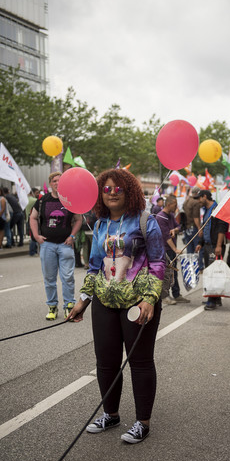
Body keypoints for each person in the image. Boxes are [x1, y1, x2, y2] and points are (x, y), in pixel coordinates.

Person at [68, 168, 165, 444]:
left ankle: (142, 422)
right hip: (104, 303)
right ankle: (110, 414)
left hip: (138, 304)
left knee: (141, 362)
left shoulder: (146, 221)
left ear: (129, 192)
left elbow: (158, 264)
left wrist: (149, 299)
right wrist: (83, 301)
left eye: (117, 189)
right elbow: (94, 267)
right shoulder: (99, 224)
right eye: (106, 189)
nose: (111, 193)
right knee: (106, 363)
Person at [29, 172, 82, 320]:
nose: (57, 183)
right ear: (50, 183)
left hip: (65, 245)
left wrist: (72, 236)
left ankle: (69, 306)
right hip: (47, 245)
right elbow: (32, 217)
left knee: (68, 277)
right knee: (49, 279)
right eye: (54, 181)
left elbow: (78, 219)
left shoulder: (69, 200)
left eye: (60, 181)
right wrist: (36, 236)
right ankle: (52, 307)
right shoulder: (42, 201)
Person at [195, 190, 228, 311]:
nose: (198, 201)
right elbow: (206, 229)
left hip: (215, 246)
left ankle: (212, 300)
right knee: (211, 272)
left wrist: (218, 245)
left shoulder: (217, 209)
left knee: (213, 274)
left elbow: (221, 228)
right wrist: (200, 243)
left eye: (199, 198)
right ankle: (216, 297)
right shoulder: (207, 210)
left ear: (205, 197)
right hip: (208, 245)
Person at [156, 194, 190, 305]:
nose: (176, 207)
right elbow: (166, 237)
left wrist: (175, 230)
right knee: (166, 274)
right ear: (169, 204)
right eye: (175, 204)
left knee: (174, 272)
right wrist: (175, 249)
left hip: (171, 249)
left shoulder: (170, 215)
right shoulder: (160, 217)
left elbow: (179, 226)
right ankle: (165, 296)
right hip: (164, 249)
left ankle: (177, 294)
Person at [182, 186, 201, 253]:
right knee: (197, 249)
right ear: (197, 193)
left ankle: (191, 263)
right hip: (194, 227)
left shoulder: (186, 201)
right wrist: (199, 228)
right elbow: (196, 217)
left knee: (189, 249)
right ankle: (197, 263)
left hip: (187, 227)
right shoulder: (196, 202)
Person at [25, 188, 40, 256]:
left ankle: (33, 251)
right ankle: (32, 252)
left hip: (28, 218)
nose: (38, 194)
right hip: (33, 218)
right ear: (32, 193)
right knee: (34, 236)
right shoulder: (34, 200)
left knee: (32, 235)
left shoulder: (25, 199)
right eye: (37, 192)